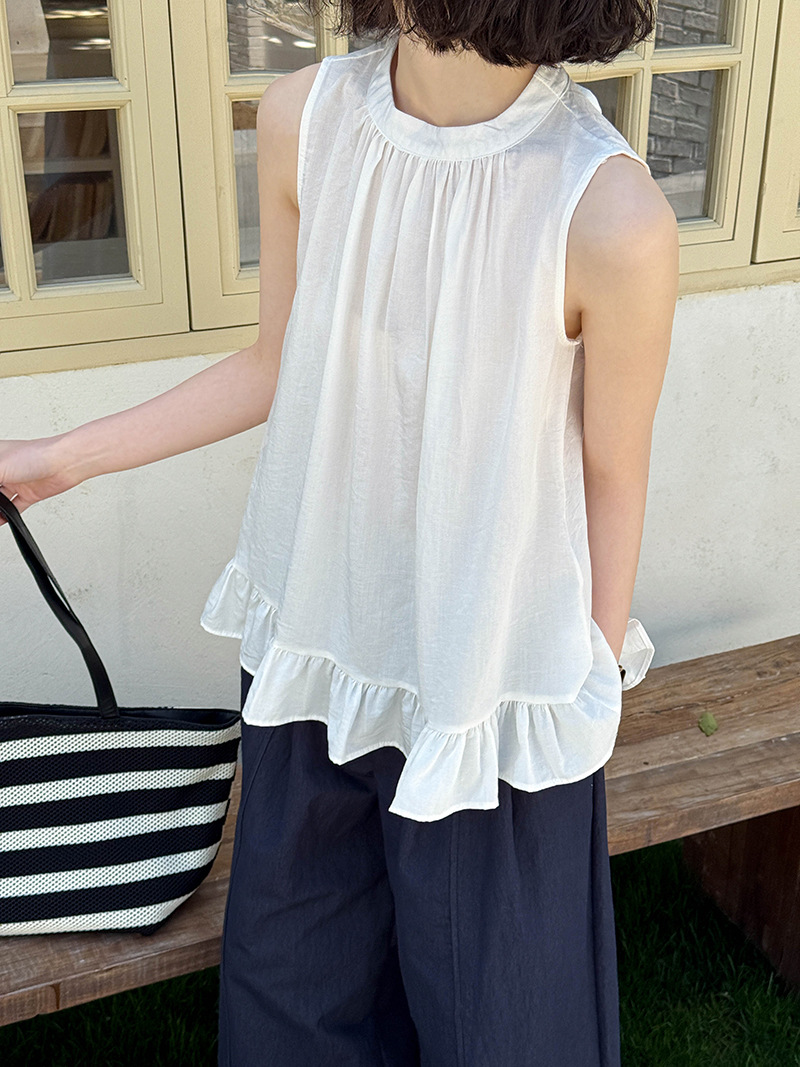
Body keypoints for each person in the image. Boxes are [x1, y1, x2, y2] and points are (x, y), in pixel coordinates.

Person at [0, 0, 679, 1062]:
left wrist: (583, 679)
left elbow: (611, 472)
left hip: (485, 696)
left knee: (508, 1031)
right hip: (315, 658)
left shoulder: (608, 212)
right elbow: (274, 362)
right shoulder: (302, 119)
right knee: (294, 1014)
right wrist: (59, 459)